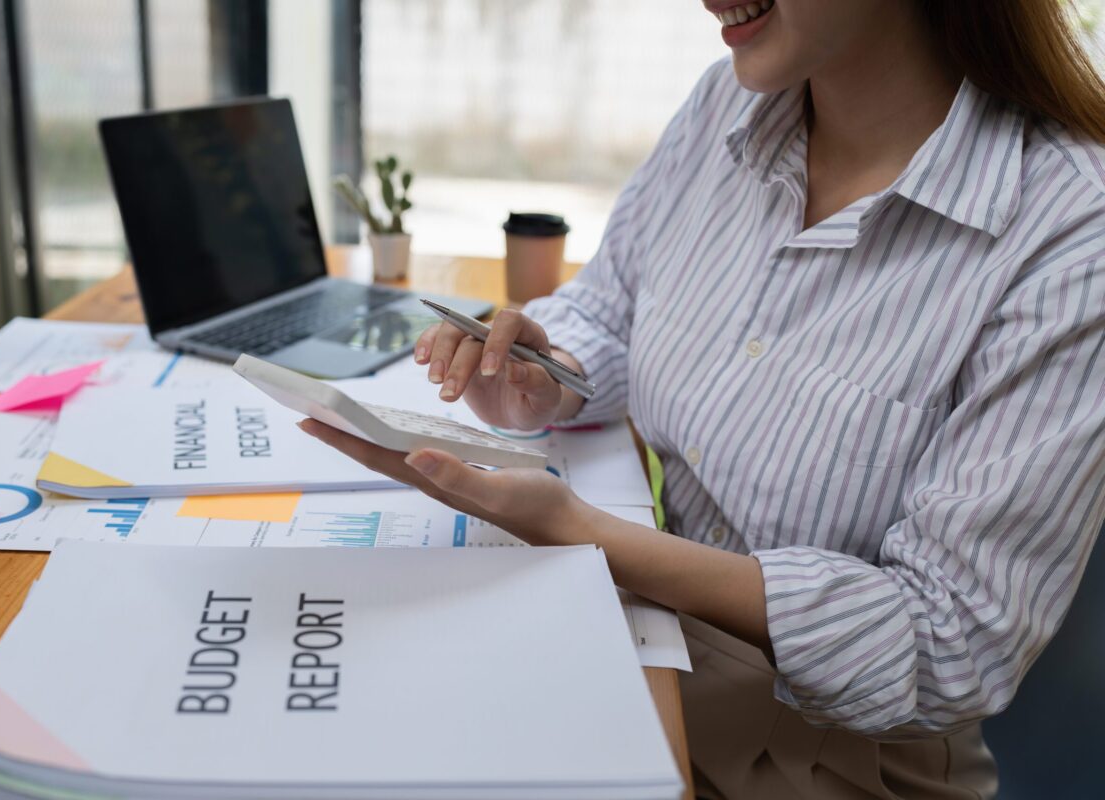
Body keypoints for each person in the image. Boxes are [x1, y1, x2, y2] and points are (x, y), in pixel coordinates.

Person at [301, 0, 1105, 796]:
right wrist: (541, 377)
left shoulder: (1071, 231)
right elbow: (609, 304)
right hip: (651, 647)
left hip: (835, 759)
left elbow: (952, 641)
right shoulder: (727, 103)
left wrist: (586, 533)